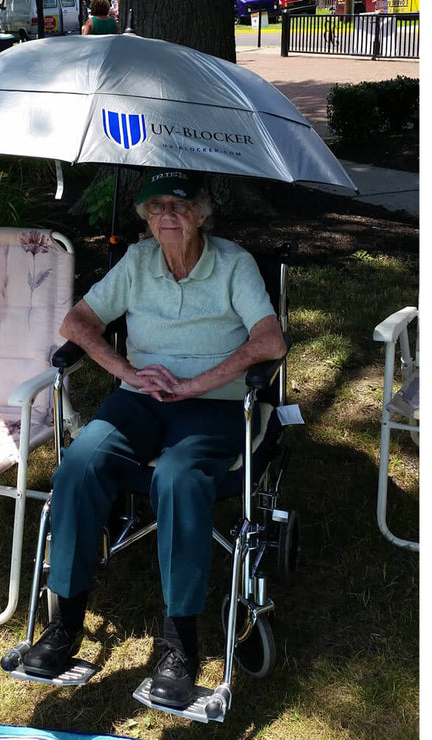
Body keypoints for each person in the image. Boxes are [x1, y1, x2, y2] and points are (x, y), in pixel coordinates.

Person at [20, 169, 287, 708]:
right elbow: (76, 323)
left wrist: (194, 384)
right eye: (157, 206)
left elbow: (270, 341)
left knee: (177, 476)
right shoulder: (138, 262)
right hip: (140, 398)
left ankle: (179, 644)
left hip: (212, 403)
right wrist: (129, 372)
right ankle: (64, 622)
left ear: (203, 213)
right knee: (80, 463)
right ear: (144, 217)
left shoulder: (234, 264)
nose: (168, 215)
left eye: (181, 206)